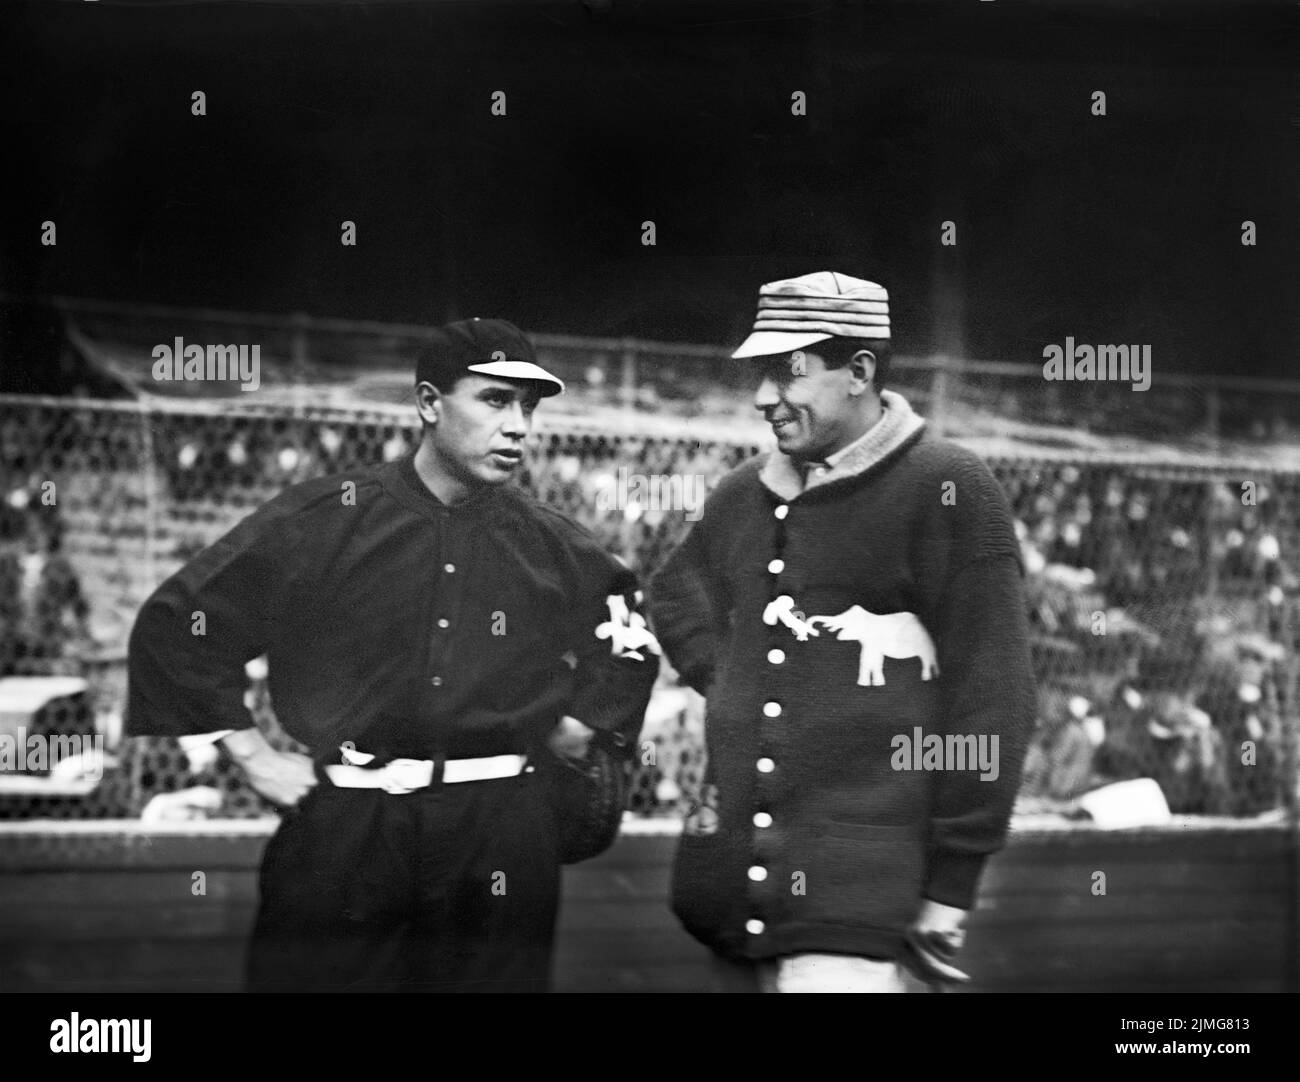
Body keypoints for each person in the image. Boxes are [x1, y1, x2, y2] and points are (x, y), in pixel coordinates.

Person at [127, 318, 658, 992]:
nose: (519, 425)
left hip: (497, 825)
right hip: (350, 820)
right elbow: (179, 623)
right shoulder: (326, 518)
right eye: (495, 400)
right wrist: (250, 752)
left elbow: (629, 641)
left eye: (528, 406)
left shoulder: (554, 544)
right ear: (430, 404)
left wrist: (583, 725)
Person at [649, 271, 1036, 993]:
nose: (765, 397)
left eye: (786, 372)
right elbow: (673, 594)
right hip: (727, 901)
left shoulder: (948, 486)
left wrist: (951, 886)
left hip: (862, 911)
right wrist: (732, 678)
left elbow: (994, 700)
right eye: (759, 375)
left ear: (859, 371)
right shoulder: (743, 493)